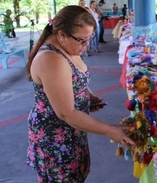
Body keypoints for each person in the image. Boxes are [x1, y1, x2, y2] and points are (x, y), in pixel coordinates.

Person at [25, 6, 135, 182]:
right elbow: (66, 113)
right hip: (55, 137)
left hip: (72, 131)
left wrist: (86, 95)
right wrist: (109, 130)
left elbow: (72, 79)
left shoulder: (68, 46)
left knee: (77, 174)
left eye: (89, 39)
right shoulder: (51, 59)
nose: (86, 45)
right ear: (61, 35)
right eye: (82, 41)